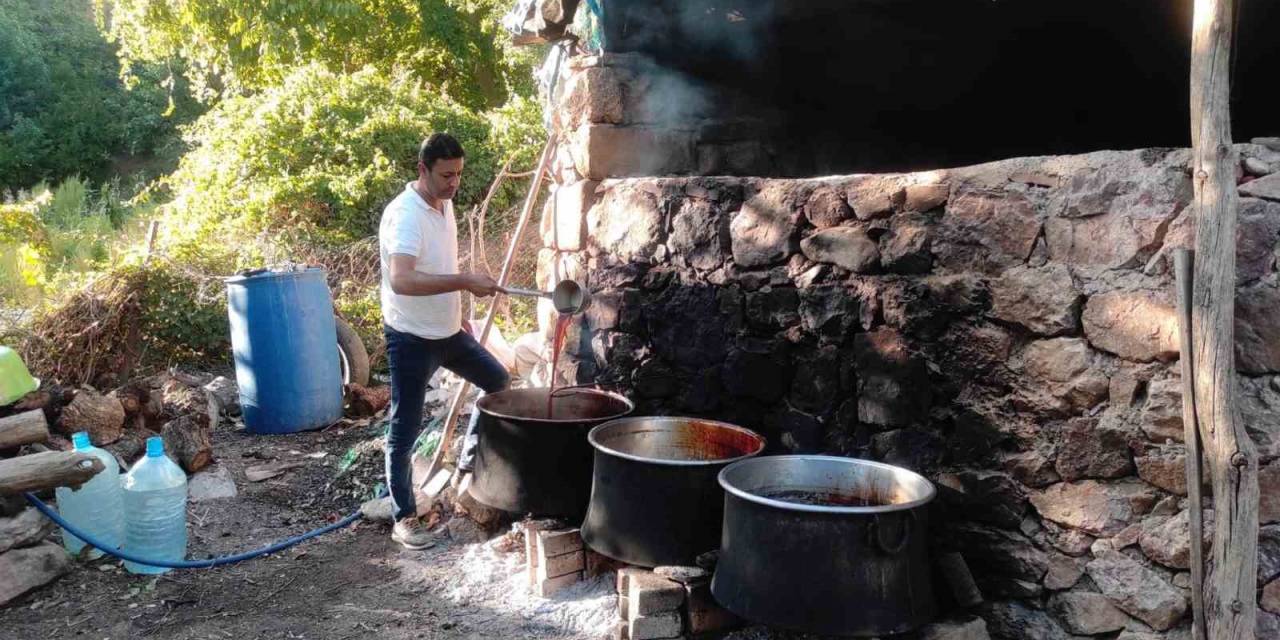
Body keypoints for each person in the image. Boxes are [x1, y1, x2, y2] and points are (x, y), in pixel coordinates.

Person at [379, 133, 510, 549]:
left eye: (458, 174)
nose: (454, 184)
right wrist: (464, 281)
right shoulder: (405, 216)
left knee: (499, 383)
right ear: (422, 170)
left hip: (449, 332)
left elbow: (438, 264)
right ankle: (404, 517)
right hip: (411, 337)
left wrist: (460, 305)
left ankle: (467, 465)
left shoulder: (445, 203)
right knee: (405, 429)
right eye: (446, 175)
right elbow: (401, 280)